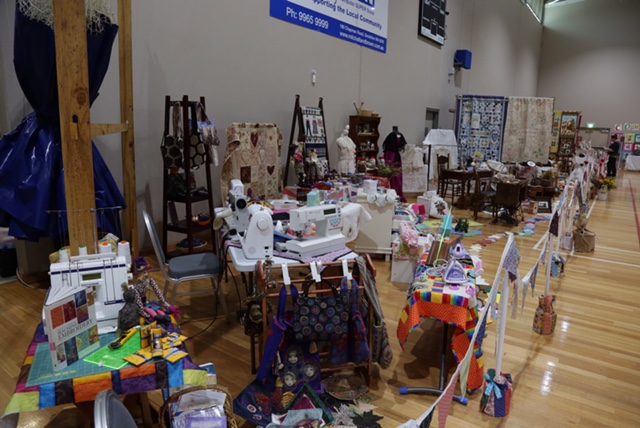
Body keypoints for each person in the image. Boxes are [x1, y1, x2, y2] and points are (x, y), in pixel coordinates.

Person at [382, 126, 408, 202]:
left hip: (392, 156)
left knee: (395, 175)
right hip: (393, 156)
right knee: (392, 175)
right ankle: (392, 193)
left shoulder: (393, 136)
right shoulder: (397, 135)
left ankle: (395, 193)